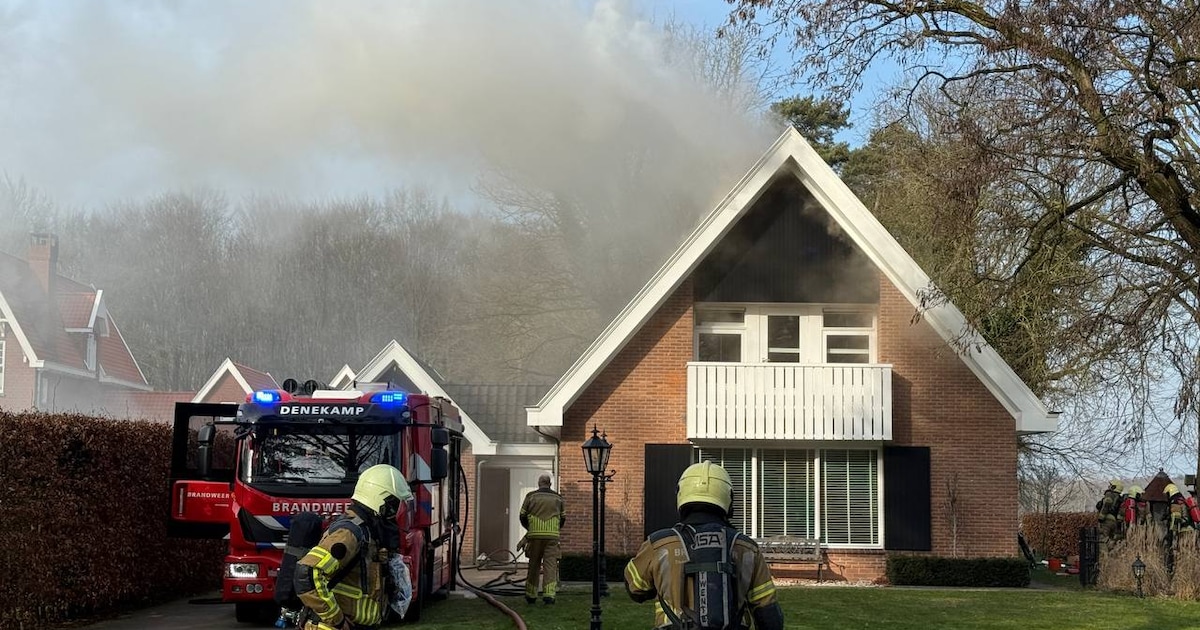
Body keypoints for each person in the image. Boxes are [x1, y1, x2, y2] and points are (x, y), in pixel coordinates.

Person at [624, 461, 784, 630]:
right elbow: (768, 615)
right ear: (728, 498)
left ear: (681, 494)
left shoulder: (658, 544)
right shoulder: (747, 548)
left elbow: (636, 589)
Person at [294, 464, 410, 630]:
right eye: (396, 504)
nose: (397, 512)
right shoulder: (350, 533)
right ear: (383, 502)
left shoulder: (371, 533)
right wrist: (337, 619)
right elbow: (308, 573)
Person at [520, 473, 566, 604]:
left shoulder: (531, 497)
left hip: (535, 536)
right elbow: (563, 518)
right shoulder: (558, 498)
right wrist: (555, 529)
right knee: (550, 565)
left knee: (534, 565)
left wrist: (529, 529)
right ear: (550, 484)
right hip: (552, 537)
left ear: (539, 483)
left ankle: (531, 595)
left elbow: (522, 515)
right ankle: (549, 595)